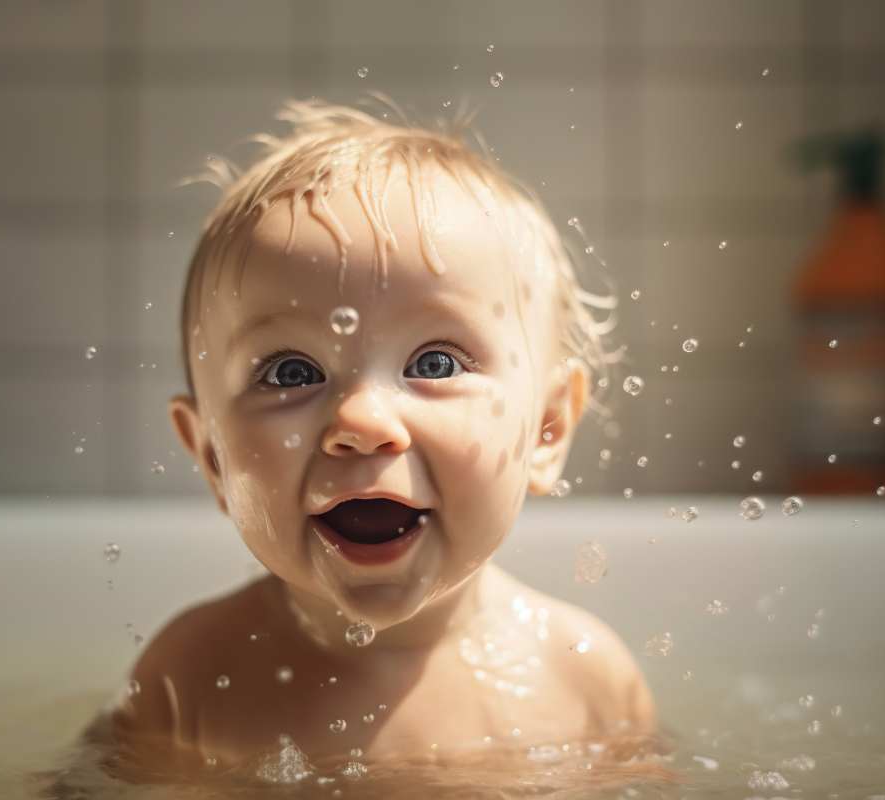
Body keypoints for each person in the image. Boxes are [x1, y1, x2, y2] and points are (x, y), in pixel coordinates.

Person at [96, 96, 655, 779]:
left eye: (435, 364)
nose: (360, 423)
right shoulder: (190, 677)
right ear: (212, 456)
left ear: (547, 428)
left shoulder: (585, 680)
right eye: (292, 372)